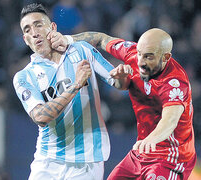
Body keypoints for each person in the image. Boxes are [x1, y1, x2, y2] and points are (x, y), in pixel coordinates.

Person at [13, 3, 132, 180]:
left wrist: (122, 76)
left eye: (38, 24)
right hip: (47, 160)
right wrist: (75, 86)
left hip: (87, 160)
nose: (34, 32)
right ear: (25, 39)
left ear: (52, 27)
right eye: (27, 29)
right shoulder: (24, 76)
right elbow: (40, 117)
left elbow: (118, 83)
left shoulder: (82, 50)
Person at [57, 29, 197, 179]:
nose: (140, 62)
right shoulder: (132, 52)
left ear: (166, 57)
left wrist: (150, 140)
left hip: (171, 156)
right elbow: (101, 39)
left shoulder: (174, 82)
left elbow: (170, 120)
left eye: (148, 57)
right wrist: (66, 39)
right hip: (142, 152)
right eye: (139, 53)